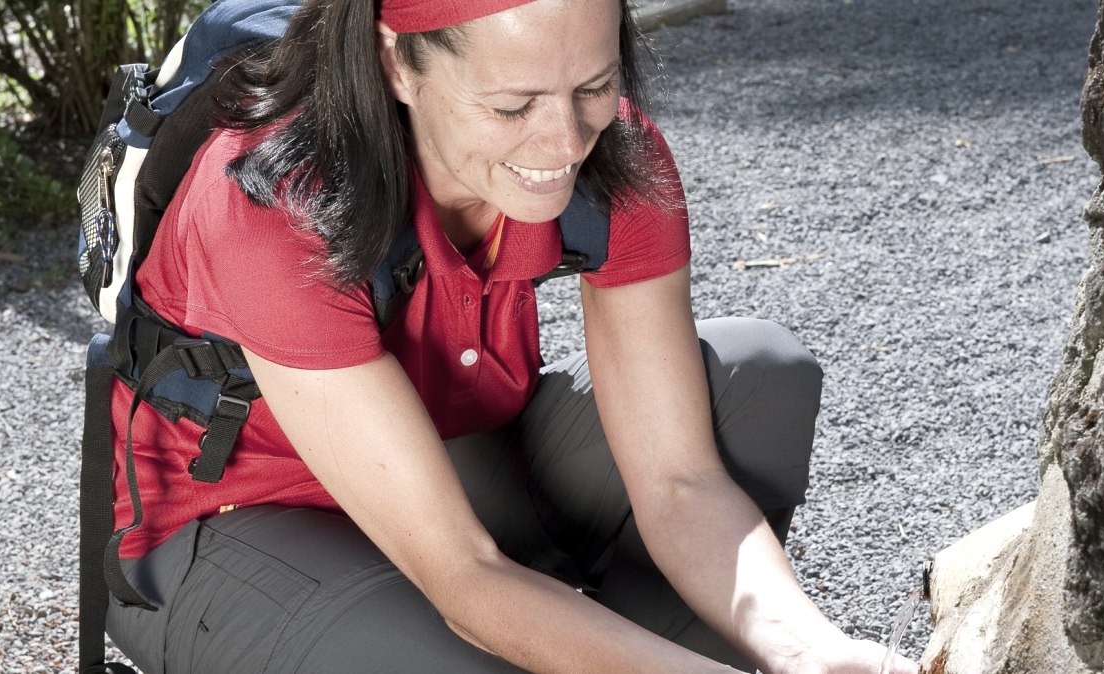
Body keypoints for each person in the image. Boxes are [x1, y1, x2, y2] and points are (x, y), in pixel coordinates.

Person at [102, 0, 923, 672]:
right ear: (398, 65)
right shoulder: (275, 199)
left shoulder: (614, 152)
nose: (564, 143)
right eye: (511, 106)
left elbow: (680, 483)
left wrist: (812, 651)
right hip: (231, 523)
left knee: (756, 378)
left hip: (459, 471)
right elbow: (465, 576)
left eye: (593, 86)